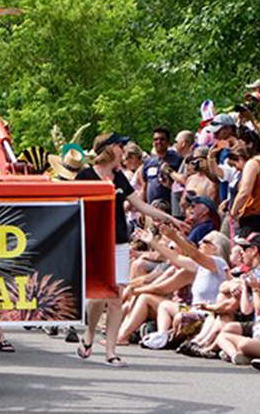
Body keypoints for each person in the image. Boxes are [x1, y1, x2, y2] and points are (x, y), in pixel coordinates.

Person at [75, 132, 188, 367]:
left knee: (116, 295)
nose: (123, 152)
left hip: (118, 241)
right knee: (97, 297)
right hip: (94, 242)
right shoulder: (85, 176)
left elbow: (142, 205)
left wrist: (171, 219)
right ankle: (88, 336)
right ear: (108, 149)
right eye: (119, 146)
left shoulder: (119, 178)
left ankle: (110, 351)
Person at [214, 261, 260, 365]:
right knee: (222, 336)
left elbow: (259, 311)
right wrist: (244, 287)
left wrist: (255, 290)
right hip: (258, 341)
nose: (255, 282)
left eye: (257, 278)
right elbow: (246, 310)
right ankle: (236, 355)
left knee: (245, 344)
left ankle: (241, 352)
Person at [141, 127, 183, 205]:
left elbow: (183, 182)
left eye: (162, 139)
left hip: (171, 206)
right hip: (152, 208)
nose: (159, 142)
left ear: (168, 142)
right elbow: (145, 185)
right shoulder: (148, 162)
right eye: (156, 139)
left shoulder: (177, 159)